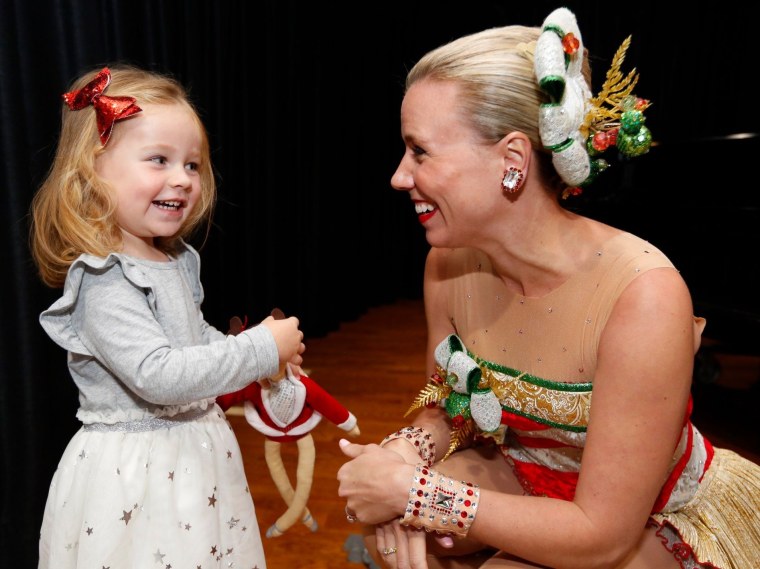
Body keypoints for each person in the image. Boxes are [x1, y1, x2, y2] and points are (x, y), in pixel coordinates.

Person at [337, 7, 760, 569]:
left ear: (512, 160)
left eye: (419, 151)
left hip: (649, 516)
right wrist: (405, 454)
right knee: (389, 538)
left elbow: (602, 533)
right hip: (525, 472)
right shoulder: (447, 264)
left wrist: (416, 493)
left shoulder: (643, 295)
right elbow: (451, 402)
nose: (398, 175)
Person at [30, 64, 305, 569]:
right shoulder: (104, 279)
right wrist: (259, 348)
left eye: (193, 165)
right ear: (92, 171)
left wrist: (259, 360)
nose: (181, 179)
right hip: (138, 478)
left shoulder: (174, 259)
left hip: (193, 459)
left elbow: (190, 340)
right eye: (159, 160)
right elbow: (160, 375)